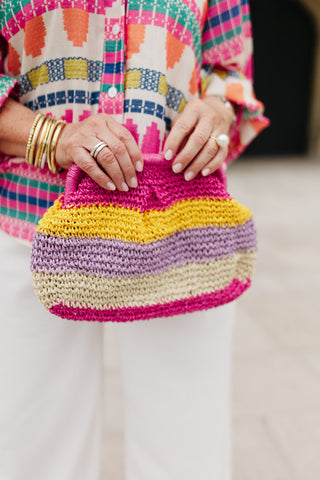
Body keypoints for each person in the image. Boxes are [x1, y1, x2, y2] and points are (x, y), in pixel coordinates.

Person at [0, 1, 269, 479]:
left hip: (183, 226)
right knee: (32, 451)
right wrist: (52, 137)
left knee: (188, 453)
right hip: (32, 221)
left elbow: (229, 68)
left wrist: (216, 109)